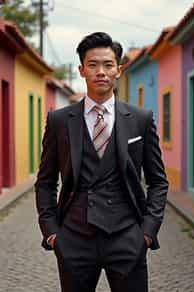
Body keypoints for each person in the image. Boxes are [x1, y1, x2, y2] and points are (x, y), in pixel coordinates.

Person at [35, 32, 168, 292]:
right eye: (93, 64)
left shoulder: (140, 119)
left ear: (118, 70)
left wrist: (147, 232)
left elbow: (158, 181)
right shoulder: (59, 121)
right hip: (73, 240)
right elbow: (45, 182)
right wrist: (52, 232)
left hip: (127, 238)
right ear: (81, 70)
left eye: (108, 65)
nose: (101, 72)